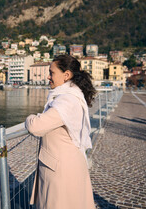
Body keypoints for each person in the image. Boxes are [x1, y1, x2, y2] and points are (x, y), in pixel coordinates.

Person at [25, 54, 96, 209]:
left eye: (52, 73)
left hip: (61, 170)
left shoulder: (66, 100)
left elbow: (35, 126)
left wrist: (31, 117)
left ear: (66, 75)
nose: (48, 76)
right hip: (66, 165)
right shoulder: (70, 95)